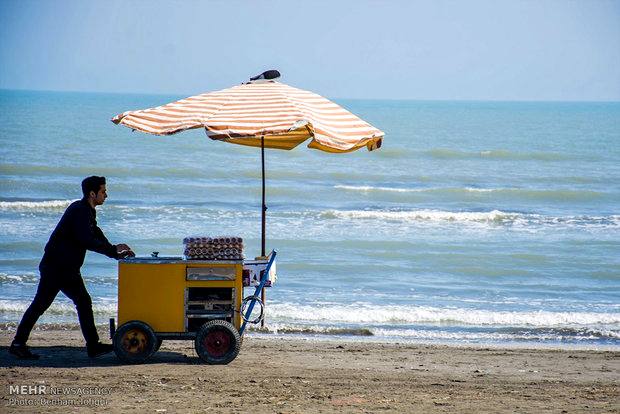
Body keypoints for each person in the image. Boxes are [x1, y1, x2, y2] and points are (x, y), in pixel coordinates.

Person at [9, 176, 135, 359]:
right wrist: (112, 250)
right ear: (92, 194)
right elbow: (87, 240)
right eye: (103, 191)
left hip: (65, 268)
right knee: (48, 304)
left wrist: (114, 252)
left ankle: (92, 345)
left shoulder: (87, 211)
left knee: (78, 302)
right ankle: (19, 343)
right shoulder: (79, 211)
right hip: (57, 267)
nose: (106, 195)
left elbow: (96, 233)